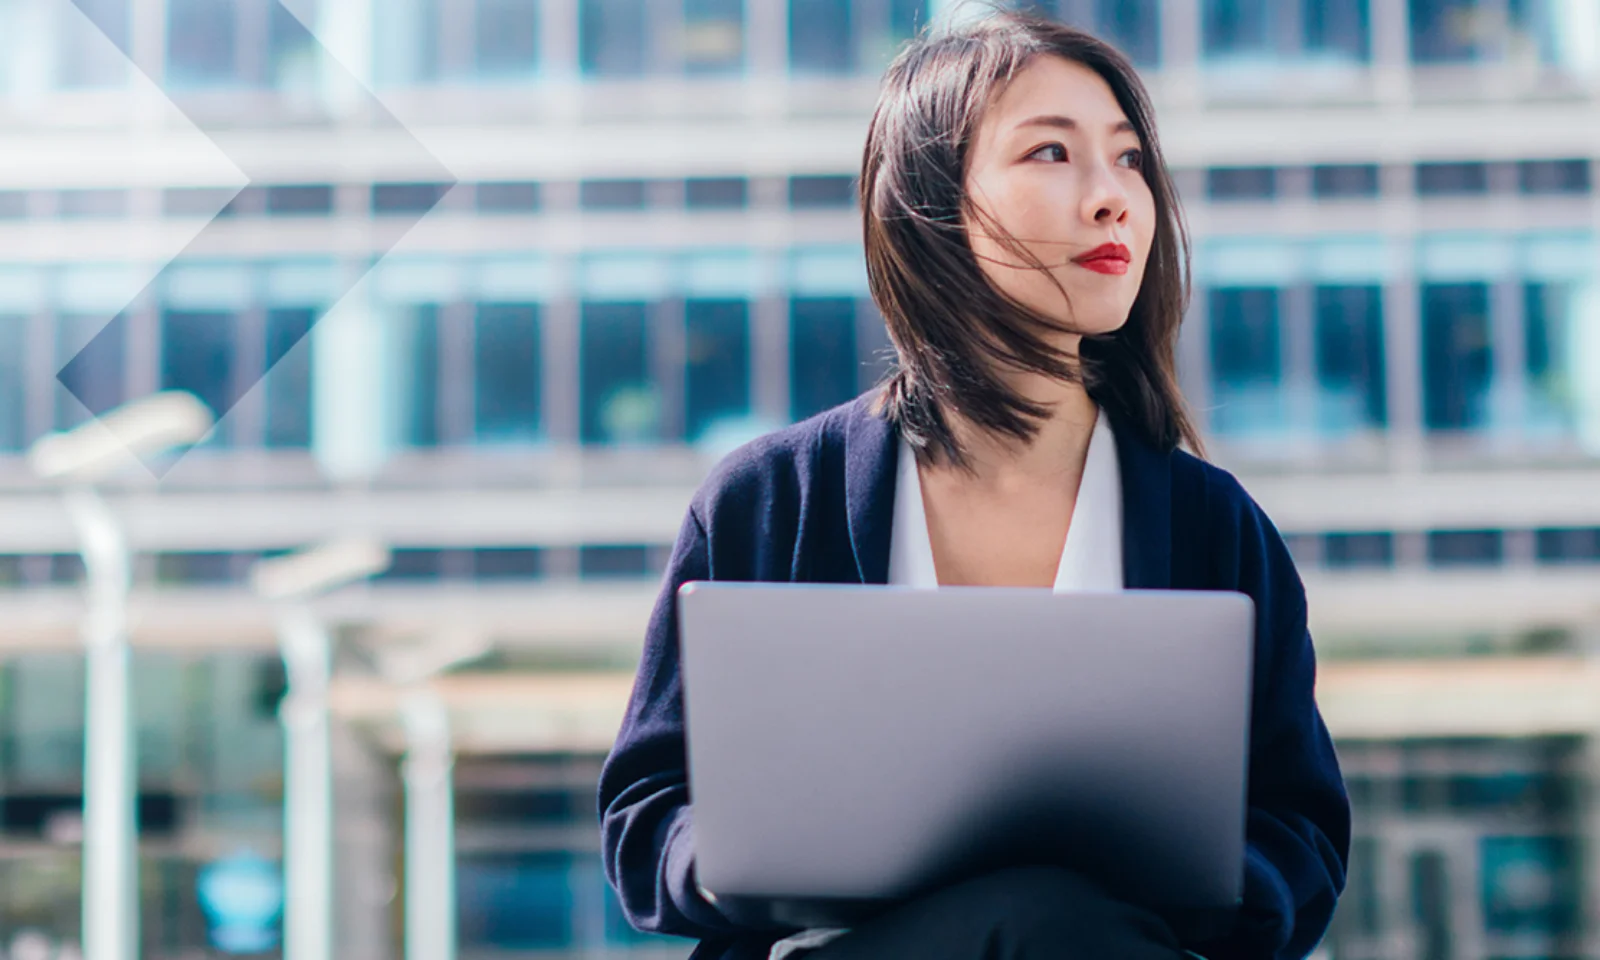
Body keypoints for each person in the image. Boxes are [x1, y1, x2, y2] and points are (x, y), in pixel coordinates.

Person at [598, 8, 1351, 960]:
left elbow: (1303, 833)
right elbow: (646, 816)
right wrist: (742, 853)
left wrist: (1202, 878)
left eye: (1128, 160)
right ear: (932, 202)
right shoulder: (769, 500)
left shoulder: (1216, 526)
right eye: (1050, 153)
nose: (1111, 198)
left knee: (1051, 920)